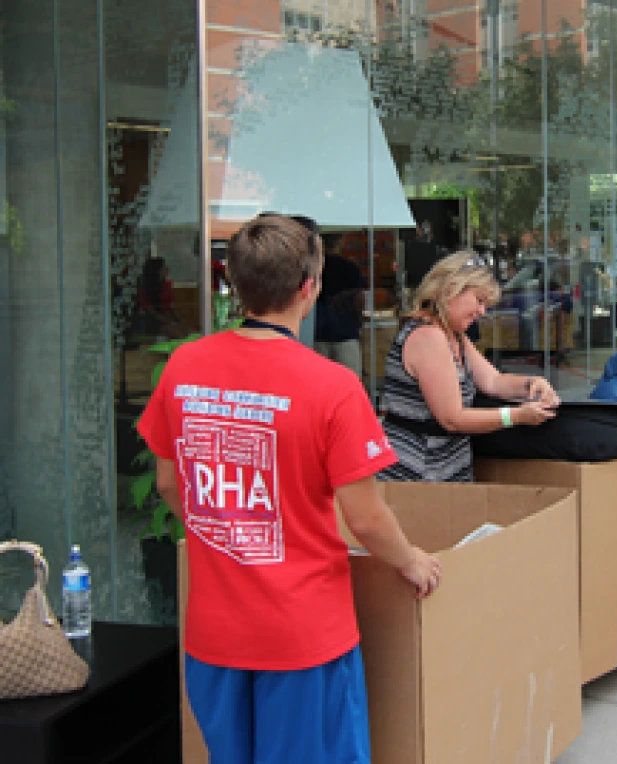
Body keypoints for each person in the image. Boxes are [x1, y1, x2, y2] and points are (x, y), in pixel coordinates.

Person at [137, 214, 441, 763]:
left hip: (215, 635)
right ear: (310, 288)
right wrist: (411, 559)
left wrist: (228, 528)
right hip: (304, 636)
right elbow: (367, 519)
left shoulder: (183, 367)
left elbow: (167, 481)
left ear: (235, 285)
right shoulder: (332, 386)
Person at [379, 251, 560, 483]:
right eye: (479, 300)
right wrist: (515, 416)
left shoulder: (453, 334)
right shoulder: (428, 337)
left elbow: (494, 381)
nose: (483, 311)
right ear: (452, 289)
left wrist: (532, 384)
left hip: (446, 464)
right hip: (418, 470)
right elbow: (452, 418)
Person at [314, 236, 367, 378]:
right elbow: (360, 299)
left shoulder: (316, 268)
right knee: (350, 382)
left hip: (318, 334)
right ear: (341, 242)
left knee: (320, 383)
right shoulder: (350, 268)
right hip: (346, 334)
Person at [137, 256, 188, 337]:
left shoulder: (167, 285)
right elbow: (151, 312)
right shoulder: (144, 289)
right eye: (164, 268)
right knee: (177, 333)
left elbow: (171, 306)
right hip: (151, 322)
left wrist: (180, 319)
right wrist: (169, 322)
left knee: (187, 332)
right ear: (157, 271)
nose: (167, 269)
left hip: (166, 318)